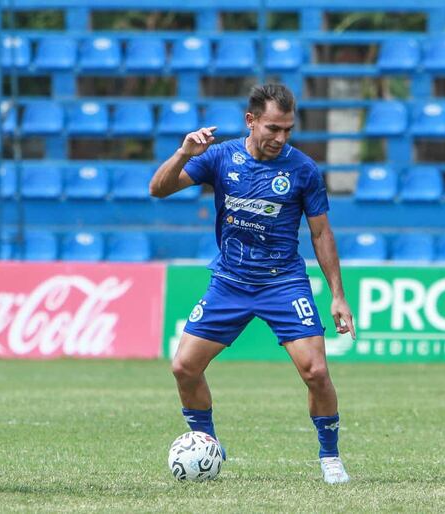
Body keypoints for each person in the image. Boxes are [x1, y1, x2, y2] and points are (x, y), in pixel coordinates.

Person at [149, 84, 355, 484]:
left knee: (315, 372)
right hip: (229, 282)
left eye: (287, 130)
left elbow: (322, 235)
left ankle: (330, 456)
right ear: (251, 121)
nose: (280, 138)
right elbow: (158, 189)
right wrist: (182, 155)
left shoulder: (303, 170)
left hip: (284, 283)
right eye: (273, 128)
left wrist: (338, 297)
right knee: (184, 367)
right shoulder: (221, 157)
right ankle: (206, 442)